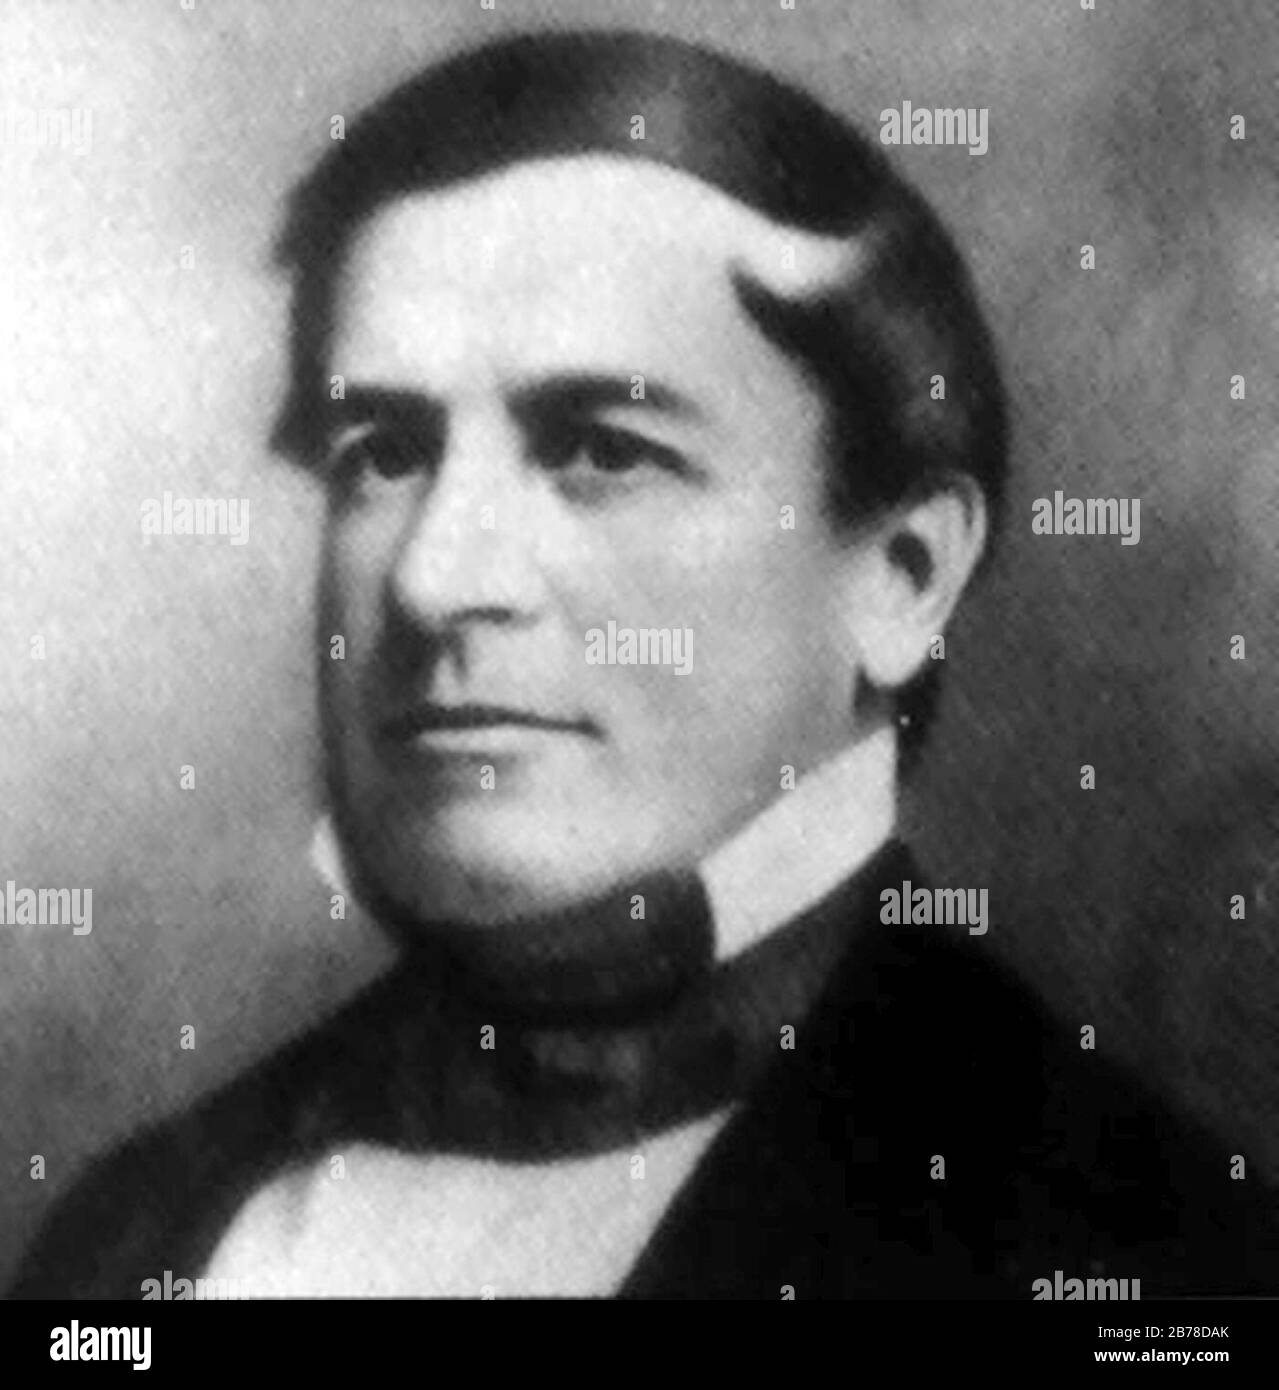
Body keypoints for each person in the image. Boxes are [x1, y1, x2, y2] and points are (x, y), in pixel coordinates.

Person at [12, 28, 1277, 1300]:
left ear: (901, 576)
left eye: (603, 450)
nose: (435, 579)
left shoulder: (1147, 1262)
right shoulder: (135, 1234)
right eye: (383, 454)